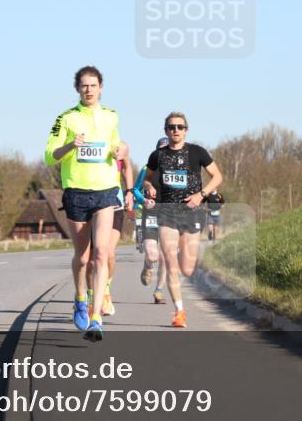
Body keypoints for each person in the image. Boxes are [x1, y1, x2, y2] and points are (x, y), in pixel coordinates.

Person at [45, 66, 132, 341]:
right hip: (76, 192)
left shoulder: (111, 117)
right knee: (82, 257)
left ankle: (96, 318)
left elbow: (117, 149)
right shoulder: (66, 118)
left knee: (102, 253)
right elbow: (50, 155)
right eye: (84, 85)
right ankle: (80, 298)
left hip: (106, 190)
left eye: (93, 85)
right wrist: (71, 145)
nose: (89, 89)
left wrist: (122, 151)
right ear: (77, 89)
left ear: (101, 87)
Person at [142, 112, 222, 328]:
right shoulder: (157, 155)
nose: (175, 130)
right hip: (167, 212)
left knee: (187, 268)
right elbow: (147, 180)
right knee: (171, 263)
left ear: (186, 130)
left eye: (179, 127)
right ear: (165, 131)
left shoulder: (197, 152)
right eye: (171, 127)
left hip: (192, 212)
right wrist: (149, 188)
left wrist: (201, 195)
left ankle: (180, 277)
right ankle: (179, 311)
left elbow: (218, 176)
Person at [84, 142, 133, 317]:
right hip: (89, 204)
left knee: (108, 253)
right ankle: (91, 297)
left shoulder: (119, 145)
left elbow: (127, 167)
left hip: (114, 205)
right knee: (91, 260)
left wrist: (129, 192)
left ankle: (104, 290)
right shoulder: (88, 144)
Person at [139, 137, 170, 304]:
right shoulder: (146, 169)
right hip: (151, 212)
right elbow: (134, 190)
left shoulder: (178, 169)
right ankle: (148, 264)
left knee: (166, 255)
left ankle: (159, 291)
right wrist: (144, 200)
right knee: (153, 254)